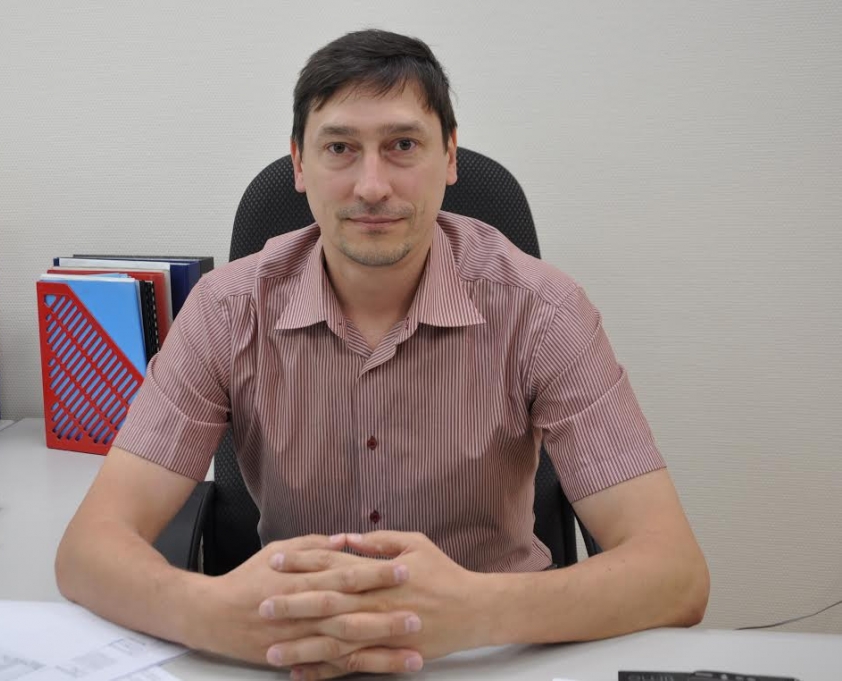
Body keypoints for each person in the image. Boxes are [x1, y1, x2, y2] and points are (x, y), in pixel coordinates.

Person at [55, 28, 709, 680]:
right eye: (341, 148)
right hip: (294, 655)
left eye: (402, 145)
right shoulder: (226, 311)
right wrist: (214, 613)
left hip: (494, 657)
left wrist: (476, 611)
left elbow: (675, 573)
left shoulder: (543, 311)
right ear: (300, 164)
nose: (372, 186)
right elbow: (88, 550)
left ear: (449, 157)